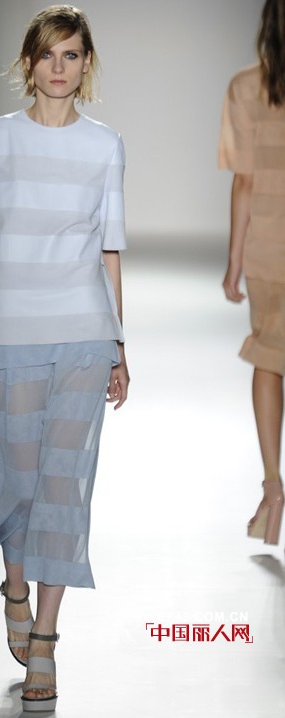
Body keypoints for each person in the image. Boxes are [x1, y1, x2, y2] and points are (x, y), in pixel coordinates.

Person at [0, 4, 129, 712]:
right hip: (13, 334)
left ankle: (45, 636)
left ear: (85, 64)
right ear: (29, 62)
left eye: (71, 54)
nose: (58, 66)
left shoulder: (105, 147)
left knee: (63, 487)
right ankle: (13, 587)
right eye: (48, 53)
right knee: (17, 483)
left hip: (83, 335)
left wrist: (119, 344)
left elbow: (109, 250)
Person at [219, 0, 285, 547]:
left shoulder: (246, 86)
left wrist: (234, 262)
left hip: (269, 245)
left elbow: (243, 180)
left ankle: (272, 486)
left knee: (269, 358)